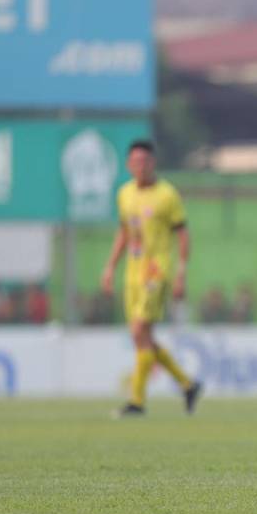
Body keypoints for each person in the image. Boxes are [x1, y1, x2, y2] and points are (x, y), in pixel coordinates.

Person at [101, 140, 202, 417]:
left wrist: (181, 272)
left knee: (138, 332)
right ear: (128, 165)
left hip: (156, 271)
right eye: (135, 162)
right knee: (143, 338)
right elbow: (124, 233)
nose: (141, 166)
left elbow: (182, 234)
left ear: (153, 163)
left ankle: (137, 401)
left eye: (145, 161)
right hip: (132, 273)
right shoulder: (124, 195)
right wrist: (110, 267)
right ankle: (188, 385)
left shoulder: (167, 195)